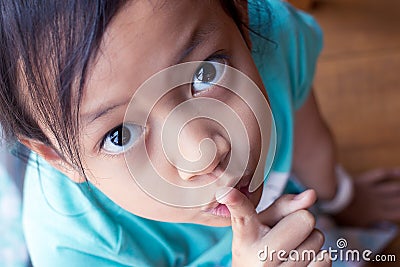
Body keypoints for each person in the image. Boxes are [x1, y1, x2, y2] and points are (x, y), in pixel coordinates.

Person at [0, 0, 398, 266]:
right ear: (59, 157)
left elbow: (311, 142)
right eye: (120, 134)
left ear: (241, 16)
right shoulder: (74, 241)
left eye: (206, 73)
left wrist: (341, 197)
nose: (203, 152)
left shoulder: (273, 35)